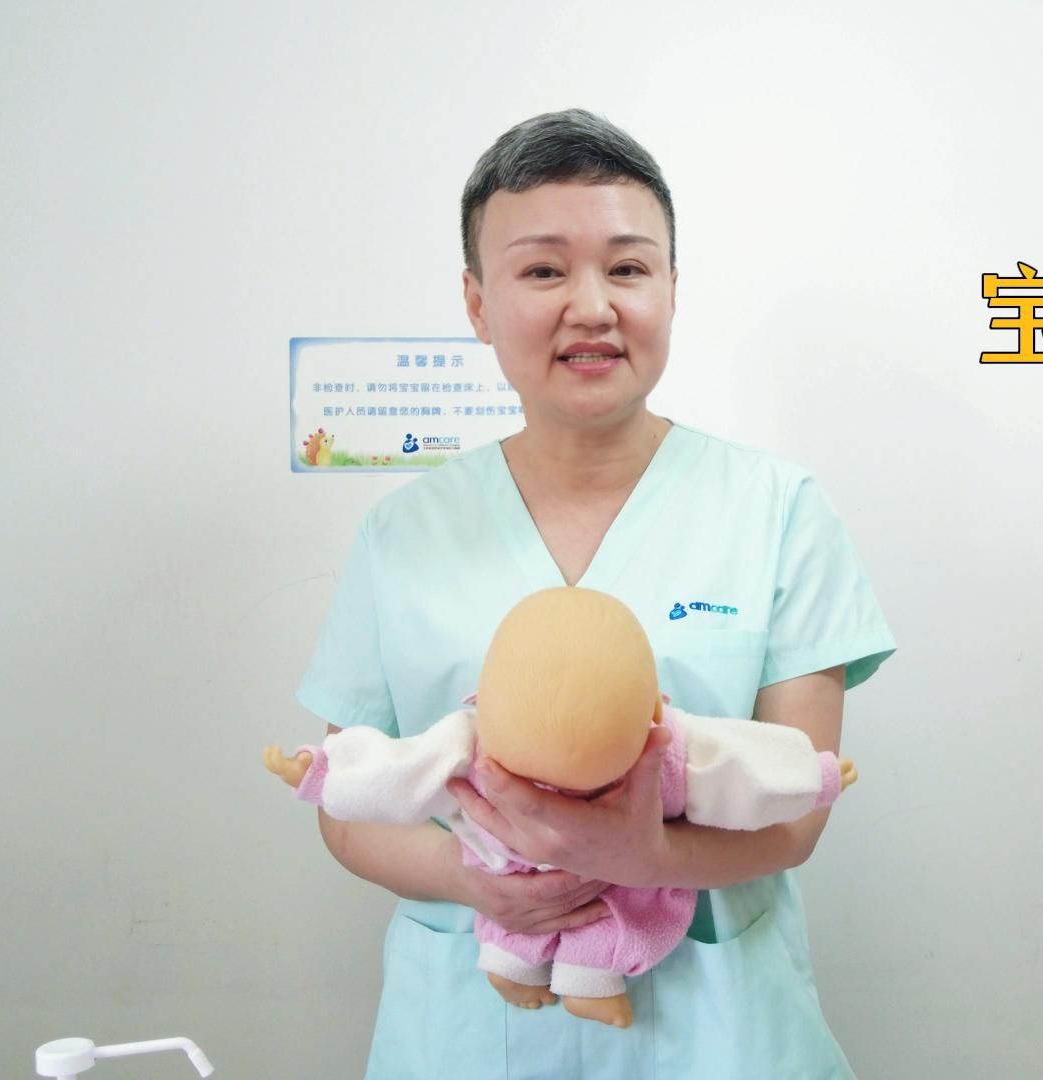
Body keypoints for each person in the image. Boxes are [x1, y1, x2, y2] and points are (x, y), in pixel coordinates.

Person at [296, 108, 895, 1078]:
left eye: (627, 268)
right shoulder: (402, 535)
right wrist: (481, 881)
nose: (592, 306)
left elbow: (797, 812)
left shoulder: (776, 509)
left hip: (715, 1034)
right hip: (472, 1032)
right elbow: (349, 807)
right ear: (478, 303)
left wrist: (646, 857)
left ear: (671, 289)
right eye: (543, 270)